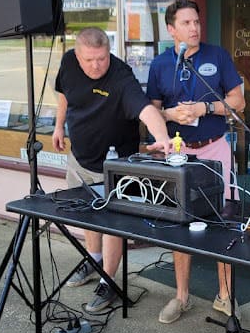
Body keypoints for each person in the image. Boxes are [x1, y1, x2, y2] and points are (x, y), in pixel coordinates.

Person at [52, 27, 172, 313]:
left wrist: (163, 138)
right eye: (90, 60)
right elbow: (64, 96)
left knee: (112, 224)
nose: (97, 65)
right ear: (78, 56)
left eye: (102, 58)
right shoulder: (68, 62)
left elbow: (147, 111)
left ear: (109, 52)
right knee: (88, 215)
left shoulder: (121, 76)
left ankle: (109, 281)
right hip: (80, 158)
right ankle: (92, 259)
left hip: (116, 165)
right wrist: (58, 126)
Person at [146, 0, 245, 324]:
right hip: (178, 153)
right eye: (186, 23)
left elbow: (238, 101)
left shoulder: (217, 56)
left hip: (215, 148)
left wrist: (206, 109)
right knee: (181, 222)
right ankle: (182, 296)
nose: (194, 28)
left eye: (197, 22)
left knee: (225, 218)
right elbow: (150, 111)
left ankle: (225, 295)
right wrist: (169, 113)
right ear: (171, 29)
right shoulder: (160, 65)